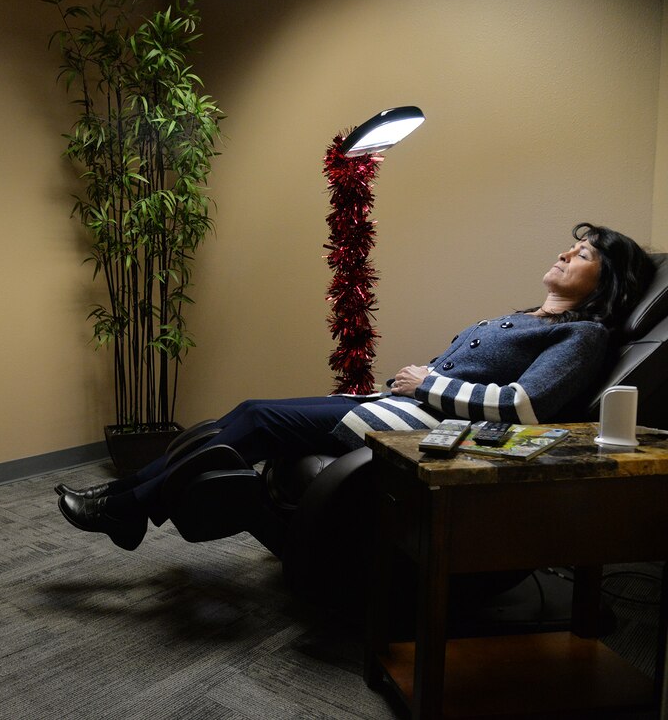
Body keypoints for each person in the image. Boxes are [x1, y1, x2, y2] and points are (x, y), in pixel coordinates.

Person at [58, 223, 656, 551]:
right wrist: (402, 383)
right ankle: (128, 501)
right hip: (402, 405)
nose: (563, 252)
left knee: (259, 418)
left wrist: (428, 380)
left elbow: (524, 406)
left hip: (442, 433)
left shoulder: (585, 335)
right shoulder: (532, 318)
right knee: (241, 416)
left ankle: (127, 508)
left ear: (605, 281)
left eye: (580, 254)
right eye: (570, 245)